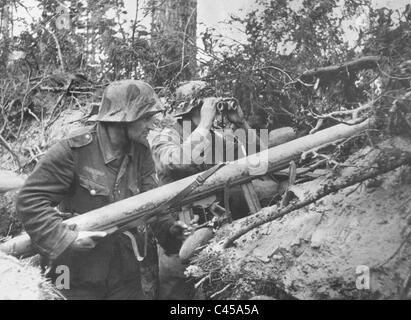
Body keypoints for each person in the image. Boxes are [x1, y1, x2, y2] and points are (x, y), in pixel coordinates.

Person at [16, 80, 179, 300]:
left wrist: (171, 231)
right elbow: (30, 200)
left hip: (123, 271)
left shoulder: (141, 152)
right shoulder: (73, 150)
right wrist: (66, 238)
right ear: (123, 119)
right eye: (146, 118)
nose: (151, 126)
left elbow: (152, 201)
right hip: (73, 273)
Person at [147, 81, 254, 300]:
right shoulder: (165, 135)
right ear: (188, 111)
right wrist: (204, 123)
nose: (212, 112)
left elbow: (257, 162)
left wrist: (242, 124)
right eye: (205, 107)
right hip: (177, 236)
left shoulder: (211, 137)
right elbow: (175, 161)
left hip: (213, 231)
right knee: (177, 296)